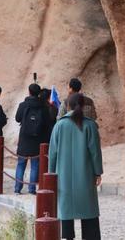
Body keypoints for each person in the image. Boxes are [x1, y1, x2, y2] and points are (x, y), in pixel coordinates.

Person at [49, 93, 103, 240]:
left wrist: (50, 174)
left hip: (63, 177)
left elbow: (52, 153)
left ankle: (67, 237)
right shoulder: (90, 125)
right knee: (89, 210)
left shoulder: (59, 125)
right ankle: (91, 237)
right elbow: (95, 152)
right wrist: (98, 172)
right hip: (85, 176)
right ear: (84, 105)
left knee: (66, 210)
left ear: (68, 106)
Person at [14, 83, 54, 194]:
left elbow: (17, 119)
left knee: (21, 164)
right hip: (37, 139)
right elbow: (48, 123)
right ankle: (31, 189)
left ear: (29, 91)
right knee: (35, 165)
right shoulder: (44, 107)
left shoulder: (23, 105)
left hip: (24, 138)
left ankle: (17, 188)